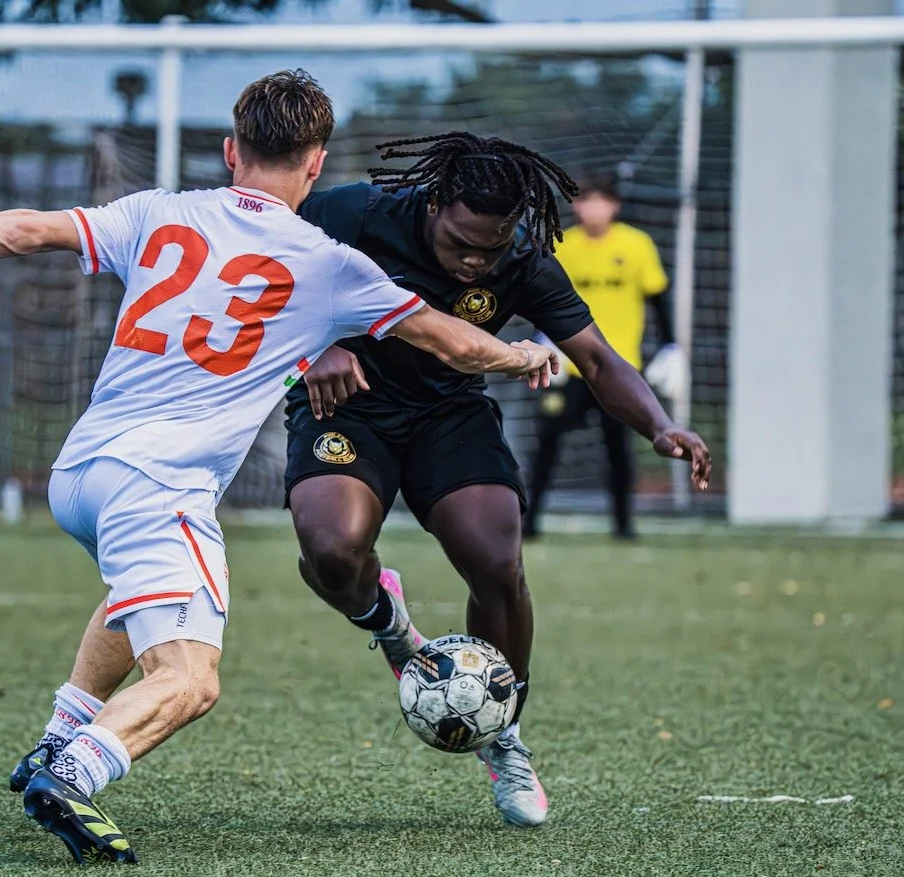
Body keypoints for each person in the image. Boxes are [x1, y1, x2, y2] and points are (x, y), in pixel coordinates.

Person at [0, 73, 559, 865]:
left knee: (134, 596)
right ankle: (72, 774)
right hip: (157, 486)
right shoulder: (329, 262)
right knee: (189, 680)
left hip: (82, 475)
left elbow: (26, 230)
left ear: (232, 149)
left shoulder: (156, 212)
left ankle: (57, 737)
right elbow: (454, 341)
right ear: (316, 165)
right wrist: (521, 354)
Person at [281, 132, 712, 828]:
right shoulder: (356, 214)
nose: (476, 260)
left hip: (450, 415)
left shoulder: (522, 258)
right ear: (433, 202)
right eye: (461, 243)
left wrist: (660, 426)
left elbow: (598, 360)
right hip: (349, 406)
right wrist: (318, 344)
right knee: (333, 552)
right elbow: (261, 265)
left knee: (497, 561)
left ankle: (503, 734)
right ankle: (391, 624)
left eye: (492, 246)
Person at [524, 172, 689, 540]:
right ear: (575, 206)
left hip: (617, 366)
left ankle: (624, 525)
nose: (592, 209)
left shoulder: (636, 245)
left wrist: (671, 345)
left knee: (619, 447)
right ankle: (528, 521)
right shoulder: (563, 244)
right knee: (547, 441)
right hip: (568, 365)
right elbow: (540, 299)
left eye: (600, 201)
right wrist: (542, 340)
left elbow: (658, 298)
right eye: (584, 200)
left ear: (614, 205)